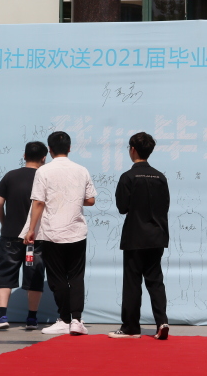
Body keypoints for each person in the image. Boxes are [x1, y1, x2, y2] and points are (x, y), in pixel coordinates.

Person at [23, 131, 96, 336]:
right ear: (70, 148)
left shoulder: (44, 171)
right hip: (76, 231)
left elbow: (38, 202)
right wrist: (72, 198)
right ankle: (77, 320)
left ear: (50, 150)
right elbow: (91, 200)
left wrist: (31, 229)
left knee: (57, 277)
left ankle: (64, 319)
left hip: (52, 231)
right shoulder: (81, 170)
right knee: (77, 276)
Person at [108, 132, 170, 340]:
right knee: (155, 280)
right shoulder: (160, 177)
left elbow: (122, 207)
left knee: (133, 282)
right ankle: (162, 322)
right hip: (157, 235)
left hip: (135, 236)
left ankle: (131, 327)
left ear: (133, 150)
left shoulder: (128, 177)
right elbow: (165, 206)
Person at [0, 141, 48, 331]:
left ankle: (1, 315)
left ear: (24, 155)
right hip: (36, 236)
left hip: (10, 234)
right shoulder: (45, 177)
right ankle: (32, 318)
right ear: (44, 158)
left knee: (4, 274)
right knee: (35, 275)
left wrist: (5, 223)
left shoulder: (11, 176)